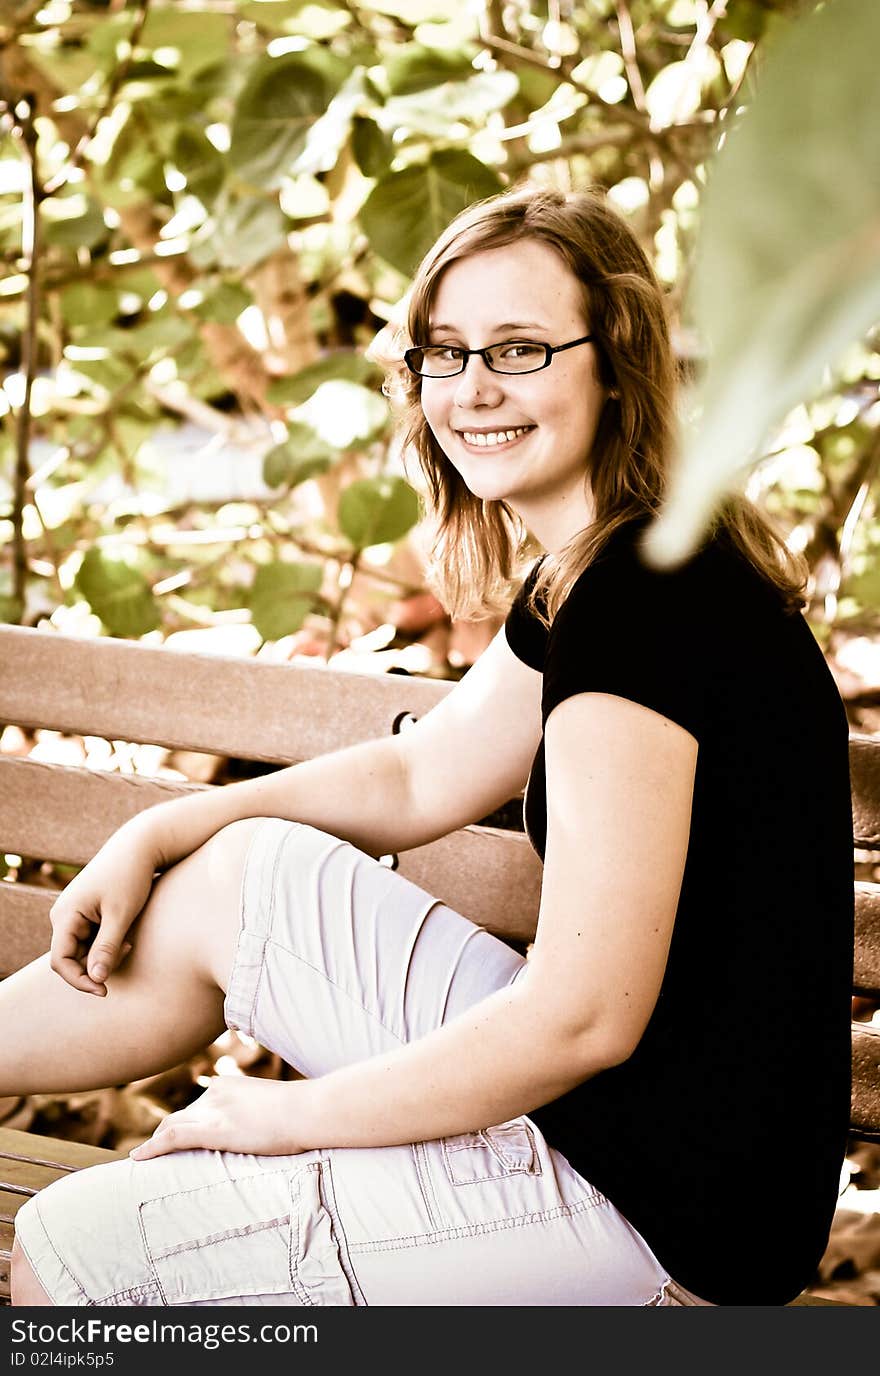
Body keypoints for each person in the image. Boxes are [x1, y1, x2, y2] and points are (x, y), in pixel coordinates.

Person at [5, 185, 853, 1308]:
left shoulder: (650, 608)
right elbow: (423, 769)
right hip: (616, 1116)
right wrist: (162, 825)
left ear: (617, 358)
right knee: (243, 874)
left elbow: (579, 1017)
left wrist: (279, 1118)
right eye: (443, 352)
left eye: (519, 348)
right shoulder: (608, 567)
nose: (471, 391)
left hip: (660, 1210)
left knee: (70, 1246)